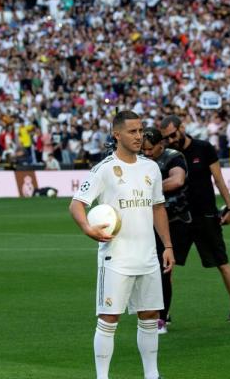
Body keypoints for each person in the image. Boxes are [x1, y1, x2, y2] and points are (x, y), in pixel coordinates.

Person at [69, 110, 174, 379]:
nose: (139, 136)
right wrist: (87, 229)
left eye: (141, 131)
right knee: (109, 319)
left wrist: (168, 247)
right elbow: (77, 204)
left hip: (148, 256)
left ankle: (152, 374)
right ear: (117, 135)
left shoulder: (150, 167)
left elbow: (159, 208)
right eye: (133, 131)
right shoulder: (104, 169)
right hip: (116, 258)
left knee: (150, 316)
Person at [160, 115, 230, 322]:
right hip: (178, 218)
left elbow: (218, 179)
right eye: (166, 137)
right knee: (168, 266)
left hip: (206, 215)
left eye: (173, 134)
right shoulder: (167, 155)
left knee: (222, 262)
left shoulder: (204, 148)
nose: (171, 140)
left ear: (182, 128)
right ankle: (164, 312)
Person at [142, 127, 189, 334]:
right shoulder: (142, 160)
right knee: (152, 270)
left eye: (150, 149)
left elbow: (178, 180)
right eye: (144, 149)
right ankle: (159, 313)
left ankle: (161, 318)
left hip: (173, 220)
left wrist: (149, 188)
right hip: (148, 221)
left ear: (161, 144)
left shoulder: (173, 157)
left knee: (164, 270)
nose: (147, 153)